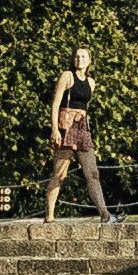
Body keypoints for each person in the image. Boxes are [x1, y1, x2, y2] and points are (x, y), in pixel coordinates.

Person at [41, 50, 114, 219]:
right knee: (60, 174)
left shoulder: (91, 82)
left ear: (89, 60)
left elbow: (85, 107)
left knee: (92, 173)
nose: (79, 59)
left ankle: (104, 213)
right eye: (77, 56)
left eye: (83, 56)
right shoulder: (67, 76)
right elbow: (56, 103)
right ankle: (49, 215)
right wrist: (54, 129)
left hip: (82, 128)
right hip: (65, 128)